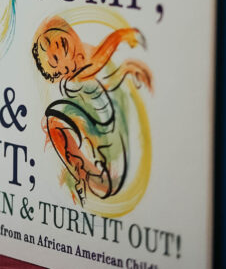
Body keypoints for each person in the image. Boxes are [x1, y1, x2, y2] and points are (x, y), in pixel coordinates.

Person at [33, 15, 152, 203]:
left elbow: (101, 57)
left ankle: (88, 173)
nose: (67, 59)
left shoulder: (86, 61)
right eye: (57, 63)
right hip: (93, 127)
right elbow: (101, 57)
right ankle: (81, 171)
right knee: (52, 119)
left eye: (63, 46)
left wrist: (123, 39)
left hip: (106, 132)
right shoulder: (73, 79)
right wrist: (121, 37)